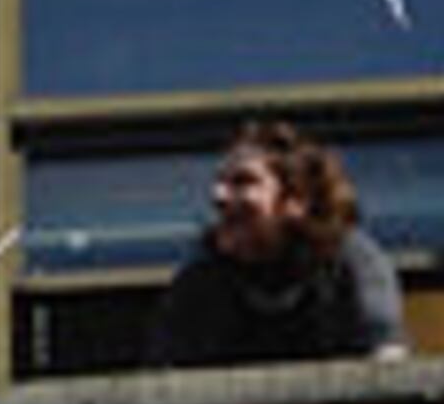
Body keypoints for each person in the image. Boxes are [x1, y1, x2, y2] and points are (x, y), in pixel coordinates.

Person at [146, 121, 409, 368]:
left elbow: (386, 367)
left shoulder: (351, 265)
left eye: (243, 182)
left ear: (296, 201)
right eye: (220, 182)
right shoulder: (199, 283)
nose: (219, 196)